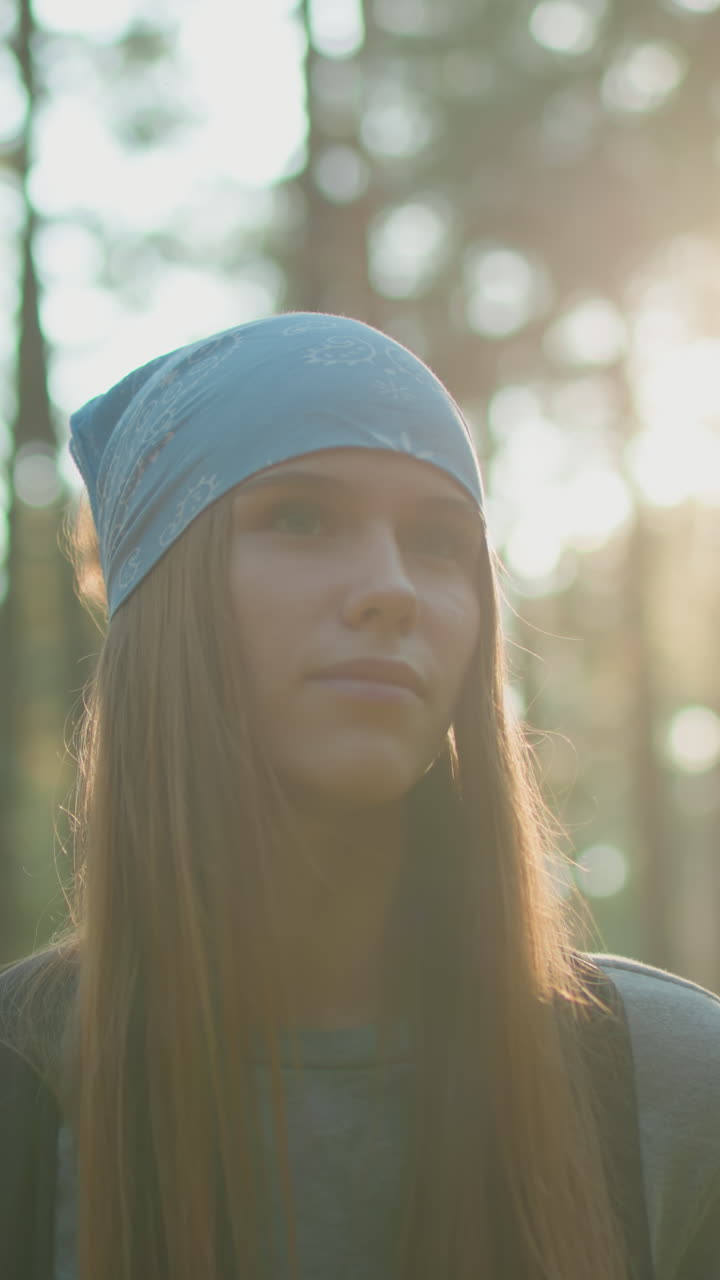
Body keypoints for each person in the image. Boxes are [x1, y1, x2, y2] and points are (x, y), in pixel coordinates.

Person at [0, 313, 718, 1280]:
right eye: (299, 517)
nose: (391, 588)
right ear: (163, 603)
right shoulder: (22, 1086)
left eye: (437, 541)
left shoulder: (669, 1091)